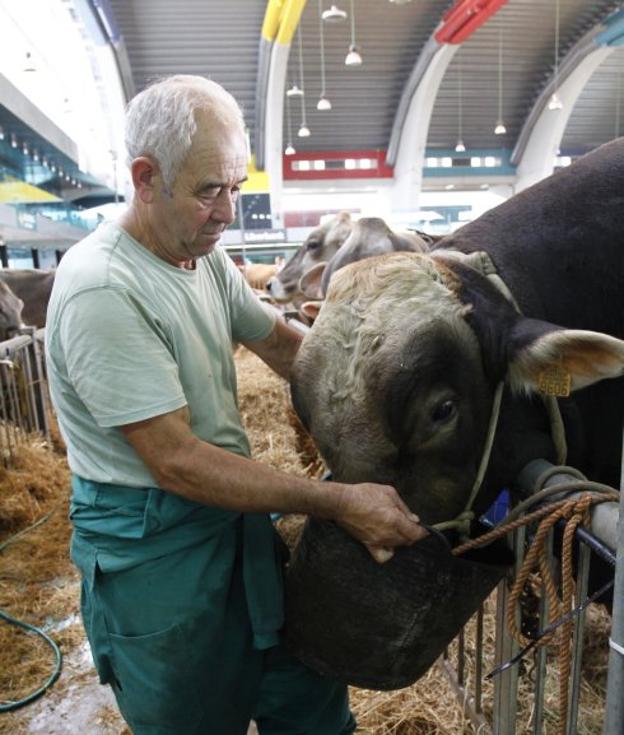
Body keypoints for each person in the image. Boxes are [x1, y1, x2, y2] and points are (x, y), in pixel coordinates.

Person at [45, 75, 426, 735]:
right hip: (159, 557)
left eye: (236, 187)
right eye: (208, 191)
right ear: (144, 176)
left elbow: (280, 342)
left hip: (239, 530)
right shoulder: (103, 288)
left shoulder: (202, 257)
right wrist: (340, 501)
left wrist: (380, 387)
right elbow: (177, 462)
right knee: (193, 716)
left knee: (311, 701)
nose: (227, 211)